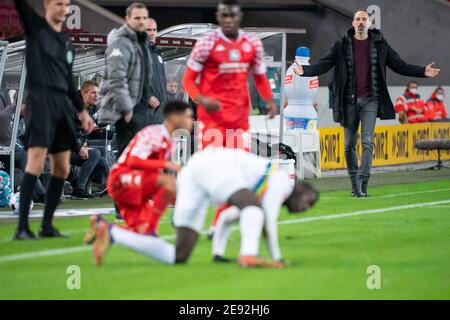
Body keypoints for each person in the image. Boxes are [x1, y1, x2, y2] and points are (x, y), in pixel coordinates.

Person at [293, 9, 441, 198]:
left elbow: (399, 64)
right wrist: (304, 71)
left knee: (367, 141)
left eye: (364, 19)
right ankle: (354, 183)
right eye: (358, 19)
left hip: (371, 100)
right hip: (348, 102)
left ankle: (363, 182)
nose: (361, 22)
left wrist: (422, 71)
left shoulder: (379, 44)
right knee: (349, 145)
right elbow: (325, 63)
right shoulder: (341, 44)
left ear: (369, 24)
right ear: (353, 23)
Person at [88, 147, 319, 268]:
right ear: (299, 189)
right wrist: (277, 257)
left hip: (194, 172)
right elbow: (266, 220)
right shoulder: (281, 180)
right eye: (308, 202)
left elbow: (230, 217)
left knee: (178, 256)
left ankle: (111, 232)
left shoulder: (266, 184)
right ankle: (248, 256)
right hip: (212, 166)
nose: (304, 208)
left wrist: (218, 252)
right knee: (254, 210)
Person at [182, 0, 277, 238]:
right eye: (224, 15)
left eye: (232, 15)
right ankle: (190, 216)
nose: (228, 19)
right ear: (218, 16)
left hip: (239, 119)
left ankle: (217, 224)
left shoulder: (253, 43)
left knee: (236, 173)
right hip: (212, 120)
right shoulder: (206, 44)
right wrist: (201, 99)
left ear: (239, 16)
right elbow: (188, 81)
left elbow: (260, 78)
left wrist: (270, 102)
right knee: (214, 171)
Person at [13, 0, 94, 240]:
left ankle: (47, 225)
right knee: (36, 162)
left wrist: (82, 111)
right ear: (47, 5)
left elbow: (69, 81)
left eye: (66, 4)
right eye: (58, 3)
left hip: (62, 105)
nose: (63, 8)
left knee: (63, 166)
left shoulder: (67, 40)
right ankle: (22, 228)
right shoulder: (36, 27)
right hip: (40, 102)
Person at [86, 101, 193, 241]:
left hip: (137, 185)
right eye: (188, 116)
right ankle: (154, 228)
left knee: (139, 234)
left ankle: (106, 228)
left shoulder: (170, 138)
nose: (191, 121)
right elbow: (133, 162)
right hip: (121, 179)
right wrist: (167, 164)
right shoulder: (154, 133)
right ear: (173, 117)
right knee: (169, 182)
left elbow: (154, 171)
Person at [97, 2, 152, 156]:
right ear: (127, 19)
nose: (141, 21)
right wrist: (127, 110)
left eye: (144, 17)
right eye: (137, 18)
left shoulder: (142, 42)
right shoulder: (120, 42)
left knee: (139, 156)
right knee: (127, 156)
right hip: (129, 111)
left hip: (141, 108)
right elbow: (116, 79)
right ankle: (117, 181)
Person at [145, 18, 168, 125]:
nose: (152, 33)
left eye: (154, 30)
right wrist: (148, 96)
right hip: (146, 107)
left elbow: (162, 80)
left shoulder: (158, 53)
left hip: (160, 107)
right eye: (148, 30)